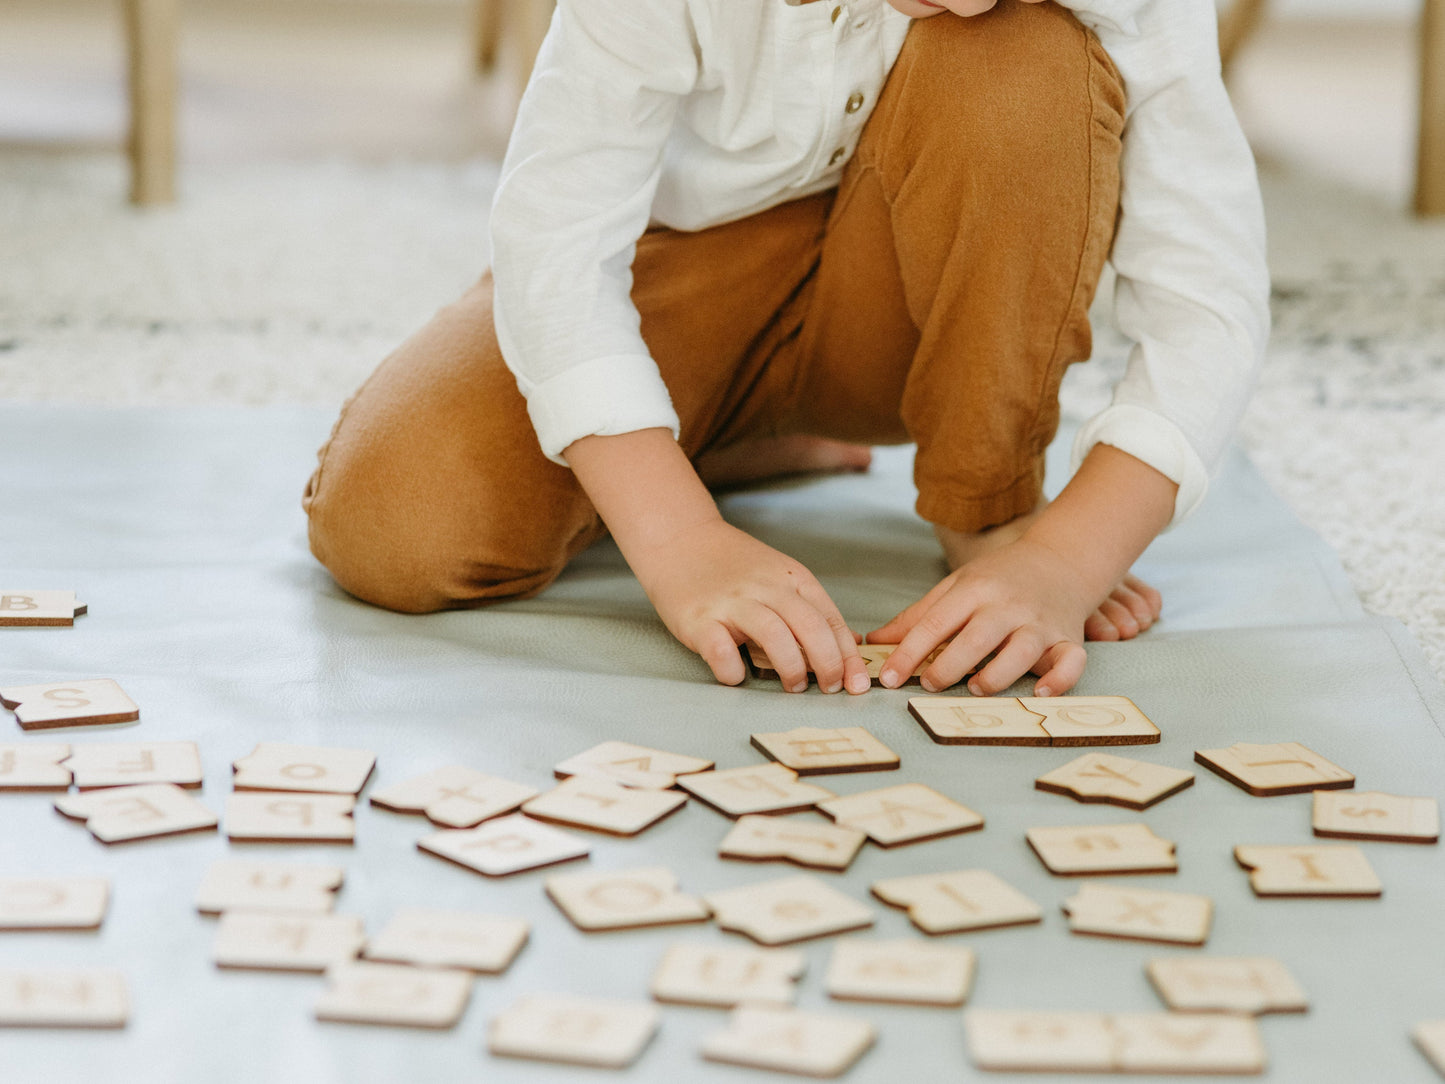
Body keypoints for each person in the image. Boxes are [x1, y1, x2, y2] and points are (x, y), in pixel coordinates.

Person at [302, 0, 1269, 700]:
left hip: (921, 322)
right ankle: (723, 445)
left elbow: (1208, 296)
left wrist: (1063, 558)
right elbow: (555, 246)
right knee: (395, 525)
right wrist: (678, 544)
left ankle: (984, 511)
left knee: (1016, 63)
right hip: (680, 272)